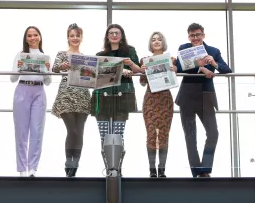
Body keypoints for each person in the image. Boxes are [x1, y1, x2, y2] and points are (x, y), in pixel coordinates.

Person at [176, 23, 232, 178]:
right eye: (192, 35)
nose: (195, 38)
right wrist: (200, 67)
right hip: (187, 96)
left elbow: (227, 70)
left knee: (213, 133)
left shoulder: (213, 51)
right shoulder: (183, 48)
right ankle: (197, 171)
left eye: (198, 35)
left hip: (206, 95)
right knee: (190, 135)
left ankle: (205, 168)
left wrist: (213, 63)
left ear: (203, 35)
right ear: (188, 36)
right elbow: (179, 69)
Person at [90, 24, 142, 175]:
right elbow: (95, 75)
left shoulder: (129, 51)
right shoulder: (100, 54)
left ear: (122, 35)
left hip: (122, 95)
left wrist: (130, 65)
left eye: (117, 33)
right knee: (104, 134)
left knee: (119, 133)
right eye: (111, 33)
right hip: (103, 96)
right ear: (107, 36)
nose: (114, 35)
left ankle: (118, 168)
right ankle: (107, 167)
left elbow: (138, 70)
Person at [10, 26, 51, 177]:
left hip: (39, 92)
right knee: (21, 131)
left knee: (37, 131)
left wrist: (47, 70)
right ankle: (22, 169)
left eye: (35, 35)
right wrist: (19, 69)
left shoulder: (45, 56)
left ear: (40, 37)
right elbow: (12, 79)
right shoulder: (20, 55)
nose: (32, 38)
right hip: (22, 90)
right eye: (29, 35)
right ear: (25, 38)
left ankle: (33, 168)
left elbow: (48, 82)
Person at [52, 23, 91, 177]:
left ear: (81, 37)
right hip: (66, 95)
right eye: (72, 35)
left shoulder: (85, 58)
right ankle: (69, 161)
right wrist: (62, 65)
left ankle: (75, 166)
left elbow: (91, 76)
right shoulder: (62, 54)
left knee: (80, 132)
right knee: (72, 130)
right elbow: (54, 68)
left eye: (77, 35)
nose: (75, 38)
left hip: (82, 95)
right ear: (68, 37)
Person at [140, 31, 175, 178]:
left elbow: (174, 80)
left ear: (163, 42)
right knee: (151, 134)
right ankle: (152, 169)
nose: (156, 41)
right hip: (150, 99)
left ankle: (162, 169)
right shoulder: (145, 60)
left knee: (164, 135)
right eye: (153, 39)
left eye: (159, 39)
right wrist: (142, 72)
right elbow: (142, 83)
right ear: (150, 43)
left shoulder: (171, 59)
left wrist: (175, 70)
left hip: (165, 99)